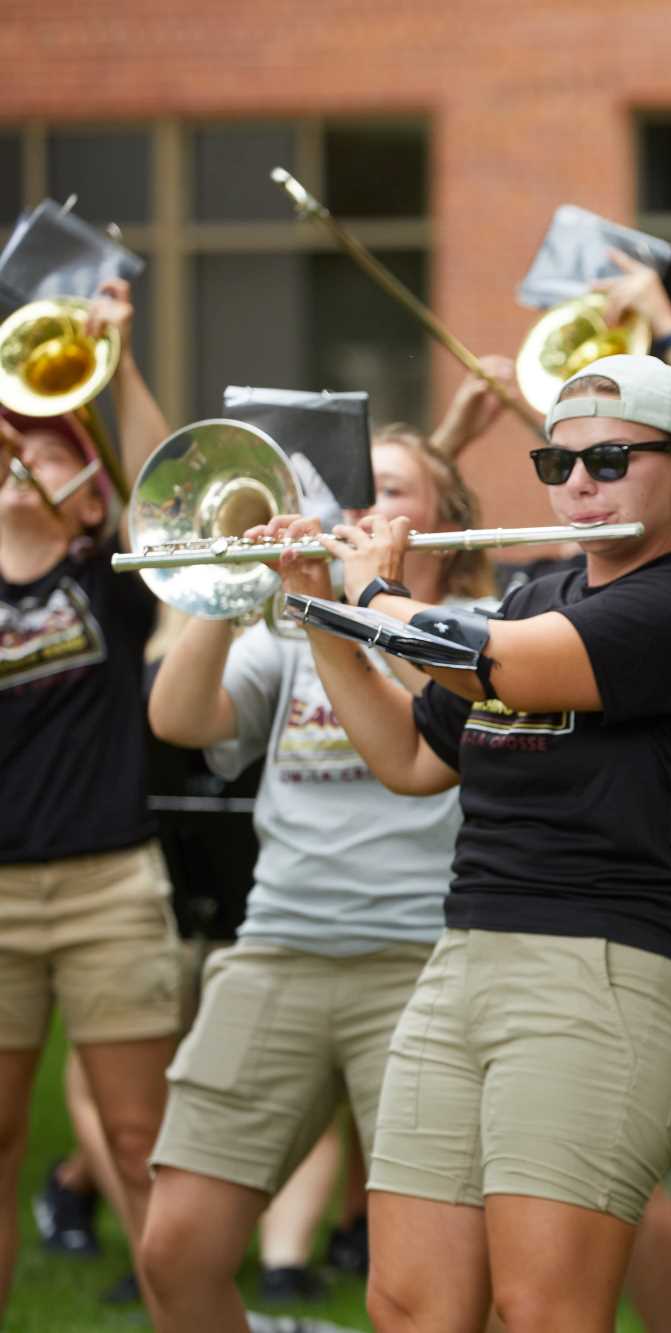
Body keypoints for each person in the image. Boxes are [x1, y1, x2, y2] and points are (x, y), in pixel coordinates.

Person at [261, 353, 671, 1333]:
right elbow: (410, 757)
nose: (576, 484)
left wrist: (375, 596)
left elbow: (496, 670)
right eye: (556, 462)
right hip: (464, 960)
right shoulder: (536, 596)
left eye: (609, 459)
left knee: (541, 1308)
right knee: (409, 1303)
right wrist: (315, 605)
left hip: (606, 969)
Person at [136, 426, 491, 1333]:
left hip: (426, 964)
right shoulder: (290, 637)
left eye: (397, 489)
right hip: (281, 949)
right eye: (354, 490)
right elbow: (179, 719)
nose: (366, 505)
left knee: (442, 1287)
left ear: (446, 518)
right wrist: (230, 584)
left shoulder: (492, 630)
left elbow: (466, 703)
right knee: (176, 1252)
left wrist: (369, 600)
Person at [0, 277, 178, 1320]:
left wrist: (120, 361)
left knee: (136, 1136)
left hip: (110, 881)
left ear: (91, 488)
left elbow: (167, 495)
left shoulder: (108, 572)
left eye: (57, 451)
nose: (31, 464)